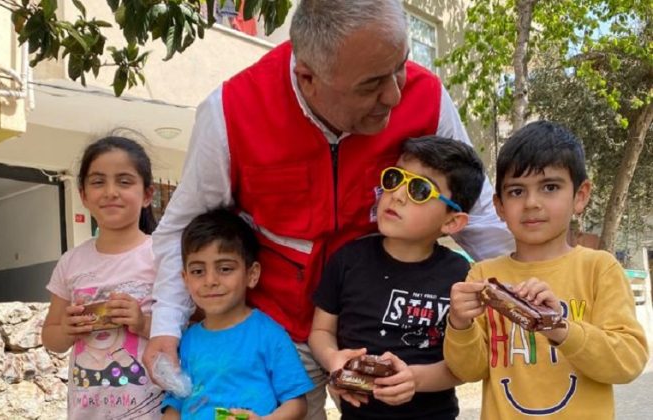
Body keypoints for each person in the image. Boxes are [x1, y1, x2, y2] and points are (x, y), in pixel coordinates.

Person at [144, 0, 515, 416]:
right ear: (308, 77)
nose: (395, 94)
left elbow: (479, 219)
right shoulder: (231, 111)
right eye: (371, 85)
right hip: (277, 327)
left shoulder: (426, 97)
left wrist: (536, 288)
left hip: (376, 332)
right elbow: (182, 227)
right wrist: (166, 326)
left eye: (400, 66)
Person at [445, 121, 649, 419]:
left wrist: (560, 327)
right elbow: (470, 370)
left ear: (580, 195)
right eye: (516, 191)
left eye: (550, 187)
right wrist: (459, 323)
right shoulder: (483, 276)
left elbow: (627, 362)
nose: (531, 203)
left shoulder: (599, 269)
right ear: (499, 206)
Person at [309, 136, 484, 419]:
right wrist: (333, 359)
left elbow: (465, 366)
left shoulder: (461, 276)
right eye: (394, 178)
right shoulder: (347, 260)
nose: (398, 195)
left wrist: (415, 379)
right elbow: (321, 331)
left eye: (419, 189)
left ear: (452, 221)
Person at [42, 136, 163, 419]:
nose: (110, 192)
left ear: (147, 194)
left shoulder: (162, 256)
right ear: (83, 195)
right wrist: (68, 330)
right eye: (98, 182)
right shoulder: (71, 262)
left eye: (124, 181)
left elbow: (192, 330)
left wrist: (142, 323)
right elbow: (50, 337)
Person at [162, 208, 314, 419]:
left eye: (225, 269)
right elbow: (175, 403)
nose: (210, 281)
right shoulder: (186, 340)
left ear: (252, 274)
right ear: (185, 279)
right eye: (198, 271)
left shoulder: (269, 334)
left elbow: (296, 403)